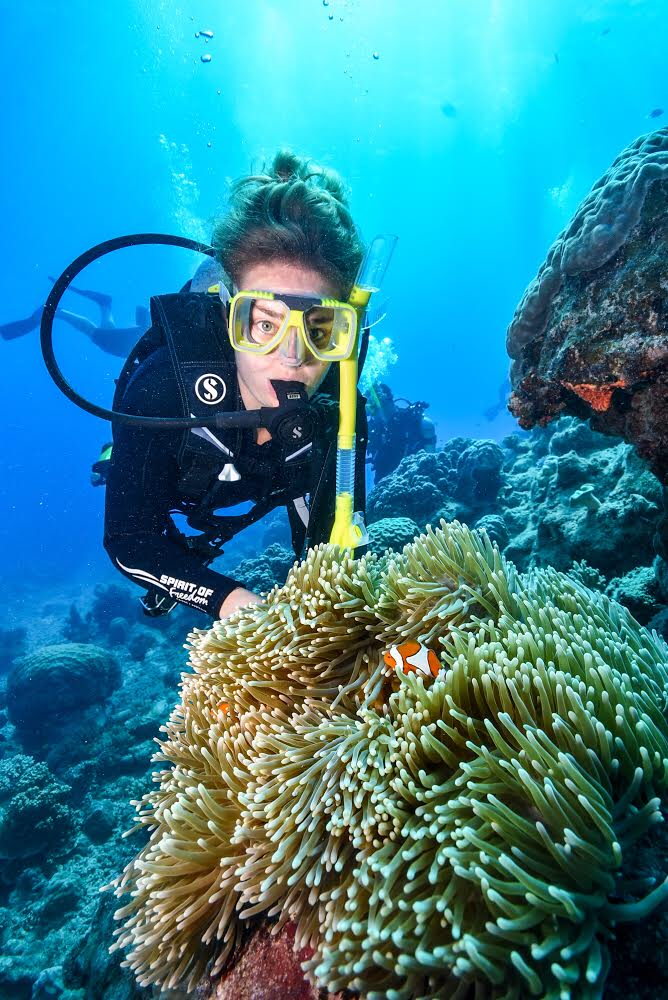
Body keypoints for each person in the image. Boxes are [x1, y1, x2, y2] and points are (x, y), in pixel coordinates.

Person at [103, 151, 373, 620]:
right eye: (265, 325)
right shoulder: (162, 391)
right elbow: (132, 539)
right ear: (230, 317)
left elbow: (333, 543)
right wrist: (229, 601)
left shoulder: (339, 410)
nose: (294, 357)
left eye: (322, 328)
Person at [0, 280, 150, 359]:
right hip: (150, 338)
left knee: (105, 335)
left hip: (149, 338)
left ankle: (105, 304)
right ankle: (59, 313)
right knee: (101, 337)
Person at [366, 382, 436, 481]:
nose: (375, 413)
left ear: (389, 400)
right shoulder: (372, 430)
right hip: (383, 488)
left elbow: (430, 463)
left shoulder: (415, 422)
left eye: (377, 406)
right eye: (370, 409)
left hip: (416, 481)